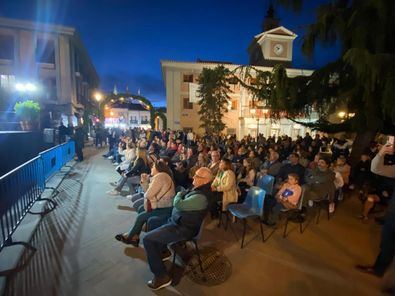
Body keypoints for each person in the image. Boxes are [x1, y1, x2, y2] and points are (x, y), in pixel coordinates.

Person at [142, 167, 213, 290]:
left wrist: (179, 194)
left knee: (147, 239)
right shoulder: (198, 189)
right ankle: (163, 251)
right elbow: (181, 201)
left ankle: (161, 277)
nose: (193, 177)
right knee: (152, 221)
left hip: (183, 228)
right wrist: (181, 196)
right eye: (194, 174)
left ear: (205, 180)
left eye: (197, 176)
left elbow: (179, 203)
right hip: (178, 220)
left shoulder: (201, 197)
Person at [356, 142, 395, 286]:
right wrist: (380, 153)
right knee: (386, 245)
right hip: (393, 214)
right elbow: (376, 168)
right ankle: (378, 269)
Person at [115, 161, 175, 246]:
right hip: (161, 205)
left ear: (158, 168)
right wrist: (145, 181)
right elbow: (148, 193)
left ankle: (129, 237)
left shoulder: (160, 176)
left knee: (141, 216)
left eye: (153, 167)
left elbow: (148, 194)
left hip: (165, 208)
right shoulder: (161, 176)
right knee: (141, 208)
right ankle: (135, 237)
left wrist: (145, 181)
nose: (151, 168)